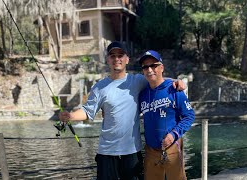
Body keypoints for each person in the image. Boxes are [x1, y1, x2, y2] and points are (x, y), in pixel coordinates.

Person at [59, 41, 185, 180]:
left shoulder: (137, 81)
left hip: (132, 152)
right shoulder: (99, 87)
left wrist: (177, 81)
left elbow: (156, 78)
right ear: (108, 59)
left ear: (127, 59)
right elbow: (87, 111)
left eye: (120, 55)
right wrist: (70, 116)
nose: (116, 59)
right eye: (113, 55)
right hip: (106, 153)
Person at [138, 50, 195, 180]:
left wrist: (174, 134)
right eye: (146, 67)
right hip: (151, 151)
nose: (150, 69)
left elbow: (189, 116)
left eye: (154, 65)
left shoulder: (174, 89)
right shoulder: (142, 94)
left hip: (172, 148)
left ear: (161, 67)